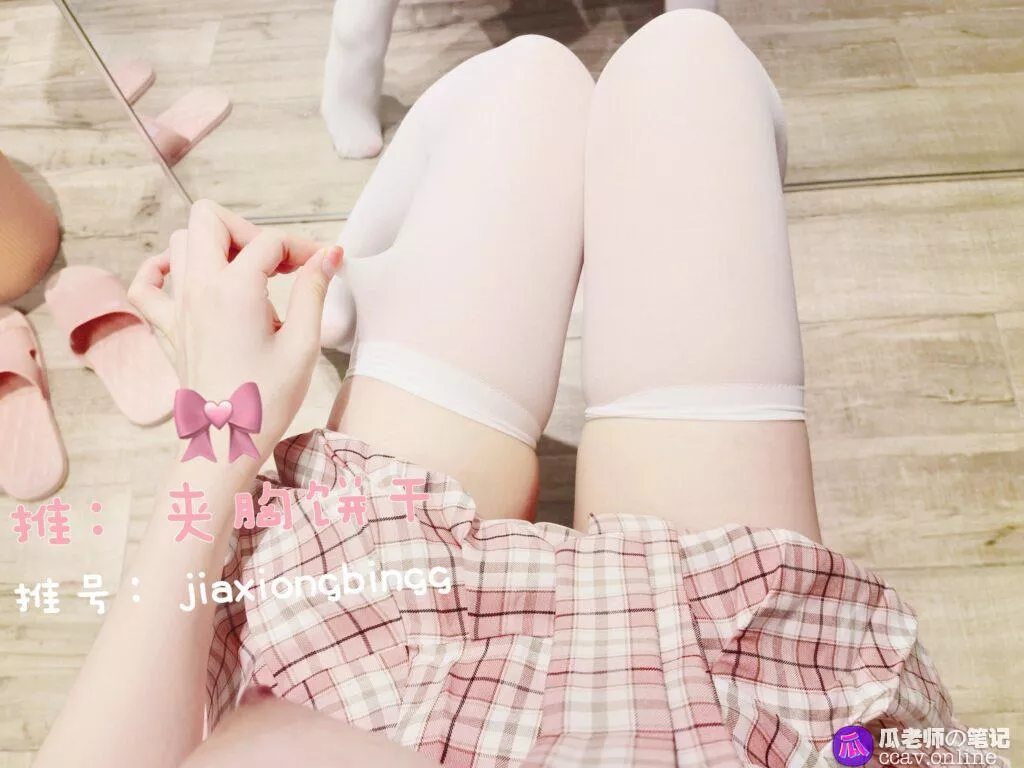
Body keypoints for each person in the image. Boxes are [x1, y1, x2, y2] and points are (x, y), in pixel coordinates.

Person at [33, 9, 990, 768]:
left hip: (353, 643)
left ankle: (352, 292)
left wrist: (223, 428)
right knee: (692, 63)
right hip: (733, 701)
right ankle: (357, 292)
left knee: (532, 79)